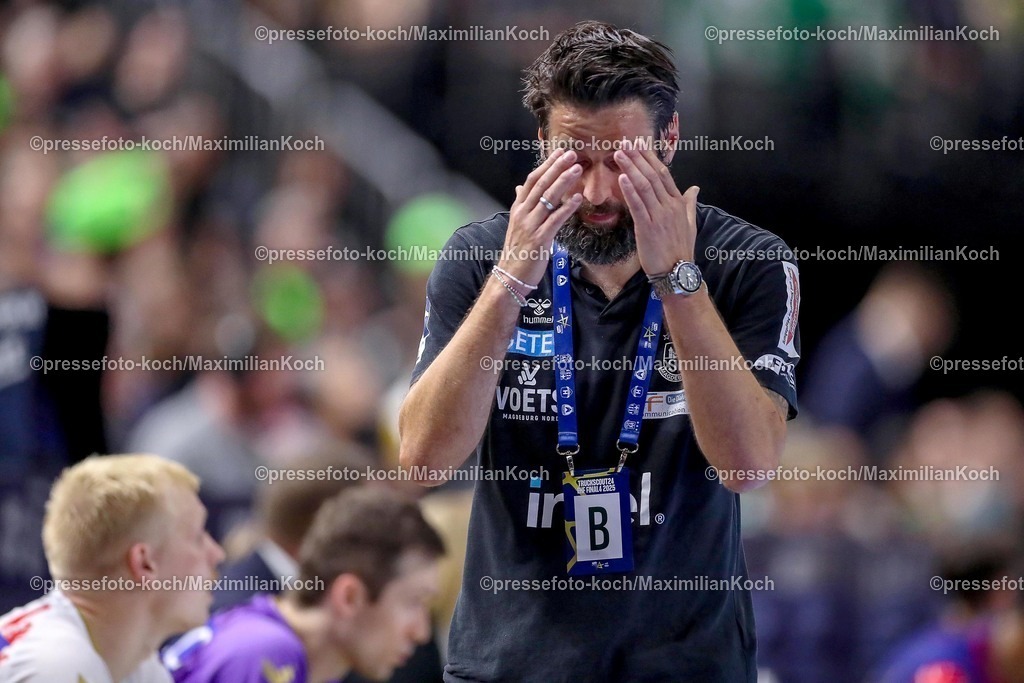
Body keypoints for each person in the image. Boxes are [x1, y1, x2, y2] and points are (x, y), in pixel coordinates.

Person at [398, 20, 800, 682]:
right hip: (509, 664)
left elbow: (750, 464)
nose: (597, 191)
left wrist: (678, 279)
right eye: (574, 158)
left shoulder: (748, 263)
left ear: (668, 140)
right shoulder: (479, 258)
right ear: (540, 144)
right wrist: (510, 283)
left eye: (622, 158)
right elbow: (422, 461)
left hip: (685, 668)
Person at [162, 486, 445, 683]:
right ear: (349, 596)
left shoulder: (292, 657)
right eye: (413, 602)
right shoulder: (266, 653)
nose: (420, 632)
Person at [0, 454, 225, 682]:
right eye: (197, 537)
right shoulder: (55, 667)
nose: (217, 553)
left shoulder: (139, 667)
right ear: (144, 564)